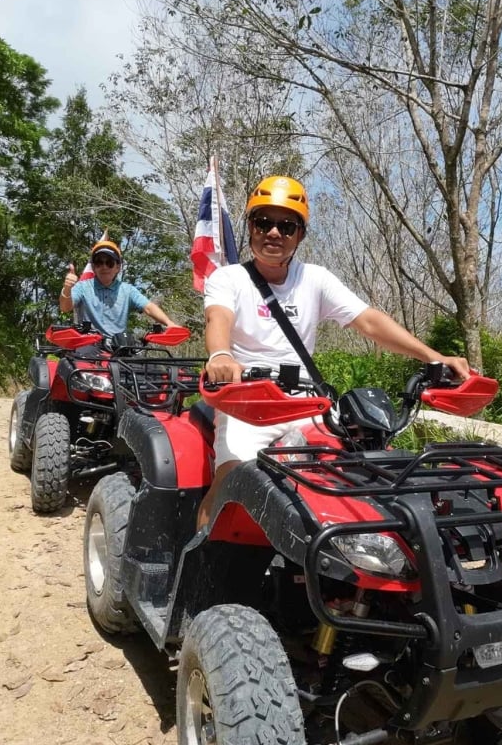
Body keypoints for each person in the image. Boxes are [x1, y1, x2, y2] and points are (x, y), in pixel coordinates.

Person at [198, 175, 471, 527]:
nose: (274, 233)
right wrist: (221, 355)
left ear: (300, 235)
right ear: (249, 226)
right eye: (263, 222)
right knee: (232, 479)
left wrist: (435, 358)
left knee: (359, 474)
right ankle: (199, 566)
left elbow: (369, 322)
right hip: (247, 405)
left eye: (287, 225)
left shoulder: (315, 278)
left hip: (307, 403)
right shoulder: (228, 278)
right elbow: (217, 318)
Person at [59, 238, 180, 337]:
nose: (104, 267)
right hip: (88, 346)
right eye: (99, 262)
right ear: (94, 267)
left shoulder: (127, 290)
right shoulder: (83, 287)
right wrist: (67, 288)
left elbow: (148, 307)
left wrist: (169, 323)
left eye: (109, 262)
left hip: (120, 347)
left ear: (118, 267)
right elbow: (65, 307)